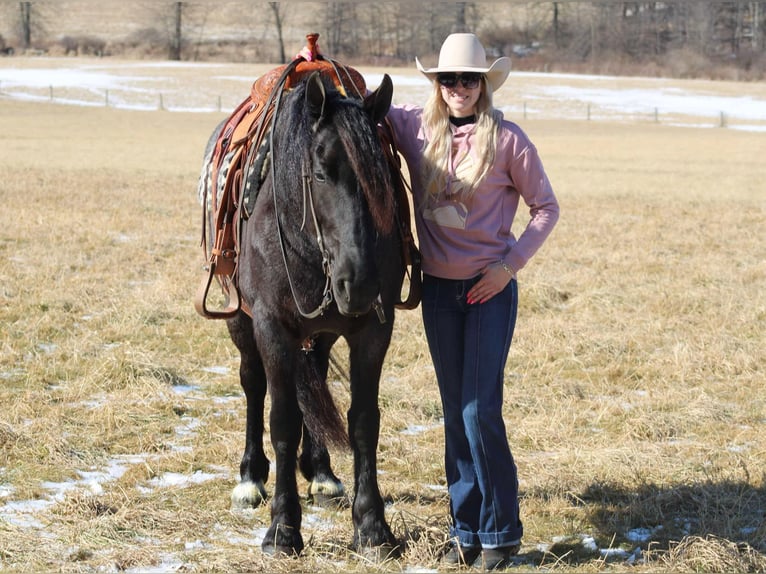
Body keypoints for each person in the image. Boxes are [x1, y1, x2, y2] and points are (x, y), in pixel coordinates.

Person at [384, 33, 560, 570]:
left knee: (479, 410)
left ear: (483, 84)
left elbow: (546, 209)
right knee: (453, 415)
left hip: (490, 291)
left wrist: (509, 268)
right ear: (436, 84)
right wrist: (313, 67)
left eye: (469, 79)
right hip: (437, 292)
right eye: (448, 79)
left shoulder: (508, 140)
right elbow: (357, 101)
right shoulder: (413, 127)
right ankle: (465, 527)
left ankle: (501, 532)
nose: (458, 88)